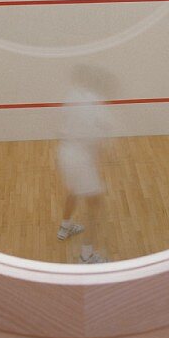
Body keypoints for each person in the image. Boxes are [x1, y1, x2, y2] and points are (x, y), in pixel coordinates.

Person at [56, 65, 116, 264]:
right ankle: (87, 256)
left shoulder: (71, 95)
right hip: (81, 159)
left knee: (73, 190)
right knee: (95, 206)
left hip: (64, 153)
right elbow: (97, 136)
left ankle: (65, 227)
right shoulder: (96, 105)